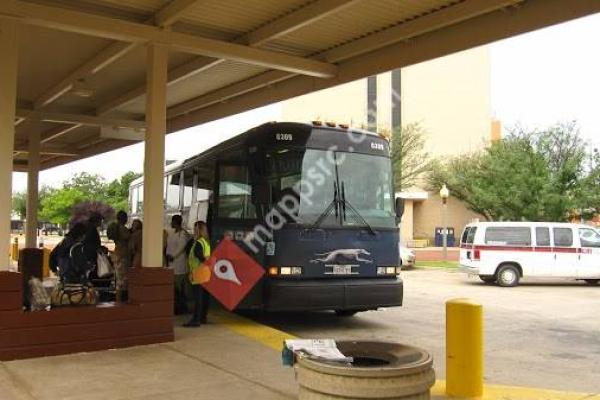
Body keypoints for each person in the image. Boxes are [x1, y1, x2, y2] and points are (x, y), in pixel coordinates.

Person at [184, 221, 211, 327]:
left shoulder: (199, 242)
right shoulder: (206, 241)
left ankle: (196, 320)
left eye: (195, 228)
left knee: (198, 298)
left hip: (198, 272)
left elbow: (199, 255)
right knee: (203, 297)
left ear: (199, 230)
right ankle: (203, 317)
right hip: (205, 272)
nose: (194, 230)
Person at [166, 215, 191, 315]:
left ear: (176, 222)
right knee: (174, 288)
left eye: (172, 222)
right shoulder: (172, 233)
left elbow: (181, 247)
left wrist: (173, 256)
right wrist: (167, 255)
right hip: (171, 264)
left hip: (179, 264)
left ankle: (182, 308)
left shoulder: (183, 234)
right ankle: (176, 307)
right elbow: (168, 245)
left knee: (180, 288)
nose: (171, 223)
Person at [107, 211, 131, 301]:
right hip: (123, 255)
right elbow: (127, 238)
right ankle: (120, 300)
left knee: (118, 279)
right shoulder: (123, 229)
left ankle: (118, 300)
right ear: (124, 218)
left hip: (117, 253)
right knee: (122, 280)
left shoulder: (115, 228)